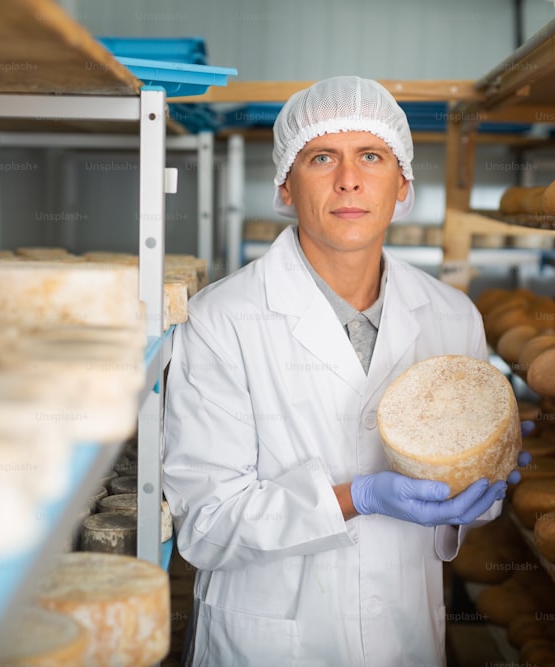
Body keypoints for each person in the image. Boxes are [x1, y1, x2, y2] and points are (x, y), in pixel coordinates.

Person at [162, 75, 531, 667]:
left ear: (404, 182)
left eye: (372, 156)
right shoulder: (220, 320)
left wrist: (485, 476)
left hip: (404, 638)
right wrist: (355, 497)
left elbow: (465, 508)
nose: (349, 179)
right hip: (268, 642)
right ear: (285, 182)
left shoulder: (450, 315)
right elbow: (206, 526)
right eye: (322, 157)